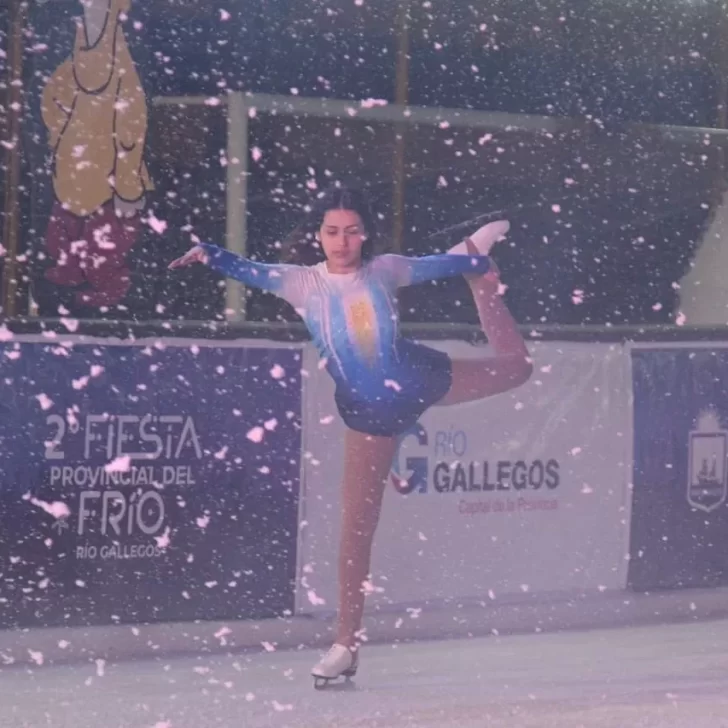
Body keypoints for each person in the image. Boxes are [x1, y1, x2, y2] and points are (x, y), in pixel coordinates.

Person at [169, 185, 532, 687]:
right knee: (356, 531)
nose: (342, 242)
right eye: (332, 232)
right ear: (318, 236)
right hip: (369, 412)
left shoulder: (384, 270)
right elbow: (248, 269)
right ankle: (345, 645)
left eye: (352, 232)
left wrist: (475, 267)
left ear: (365, 236)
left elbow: (430, 267)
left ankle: (475, 268)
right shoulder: (300, 283)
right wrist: (210, 254)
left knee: (517, 369)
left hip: (414, 376)